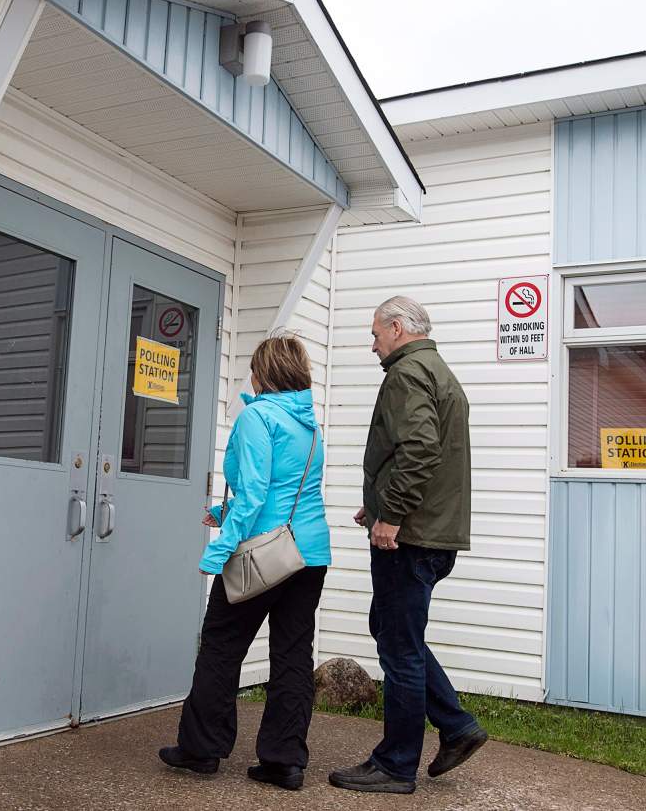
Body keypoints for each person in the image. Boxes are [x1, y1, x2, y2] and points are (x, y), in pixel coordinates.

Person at [329, 296, 487, 795]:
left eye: (376, 333)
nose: (372, 343)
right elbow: (420, 455)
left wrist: (392, 515)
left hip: (412, 536)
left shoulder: (406, 373)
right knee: (394, 631)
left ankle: (396, 764)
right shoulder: (438, 371)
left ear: (397, 328)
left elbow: (418, 449)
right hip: (430, 530)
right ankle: (457, 726)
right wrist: (376, 505)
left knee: (399, 646)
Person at [159, 332, 330, 791]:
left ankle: (201, 749)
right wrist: (222, 513)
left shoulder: (258, 417)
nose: (249, 375)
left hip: (260, 552)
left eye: (254, 367)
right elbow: (286, 489)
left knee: (220, 644)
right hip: (309, 553)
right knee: (293, 654)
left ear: (266, 373)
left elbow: (254, 494)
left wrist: (217, 549)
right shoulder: (310, 423)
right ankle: (284, 762)